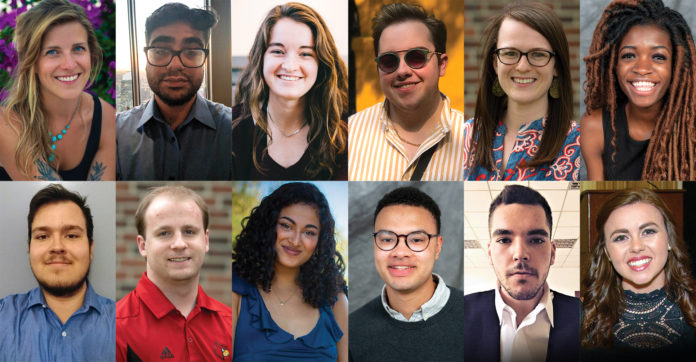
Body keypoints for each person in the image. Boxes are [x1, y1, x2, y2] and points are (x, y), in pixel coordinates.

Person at [348, 3, 466, 181]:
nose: (402, 71)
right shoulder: (350, 134)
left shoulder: (473, 138)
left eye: (416, 57)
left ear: (442, 65)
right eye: (389, 61)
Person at [463, 2, 581, 181]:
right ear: (495, 63)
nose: (523, 67)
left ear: (556, 66)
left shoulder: (580, 144)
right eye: (510, 53)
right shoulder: (464, 136)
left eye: (538, 54)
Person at [463, 185, 581, 362]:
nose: (520, 254)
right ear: (489, 253)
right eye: (504, 240)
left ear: (553, 253)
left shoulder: (587, 318)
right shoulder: (457, 317)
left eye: (536, 240)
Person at [0, 0, 116, 181]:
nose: (69, 65)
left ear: (90, 54)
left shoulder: (107, 118)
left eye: (78, 48)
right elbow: (57, 199)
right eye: (52, 52)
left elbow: (99, 200)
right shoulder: (6, 123)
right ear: (32, 62)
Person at [581, 0, 696, 181]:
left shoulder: (690, 129)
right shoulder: (595, 128)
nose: (642, 68)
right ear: (614, 66)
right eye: (629, 55)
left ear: (676, 66)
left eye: (658, 57)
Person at [116, 3, 233, 180]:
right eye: (161, 51)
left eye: (192, 52)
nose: (175, 65)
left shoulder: (233, 130)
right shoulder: (116, 133)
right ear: (146, 57)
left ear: (205, 59)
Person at [232, 182, 348, 361]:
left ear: (319, 242)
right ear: (268, 226)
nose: (295, 241)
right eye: (286, 226)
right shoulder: (236, 290)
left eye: (309, 232)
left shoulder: (335, 300)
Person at [232, 3, 348, 180]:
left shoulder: (346, 132)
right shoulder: (232, 127)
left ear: (321, 64)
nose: (290, 66)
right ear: (261, 58)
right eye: (278, 51)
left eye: (305, 54)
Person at [116, 186, 232, 361]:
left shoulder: (232, 324)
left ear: (206, 240)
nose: (179, 244)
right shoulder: (114, 327)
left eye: (189, 232)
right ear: (143, 245)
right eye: (164, 233)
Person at [349, 187, 466, 361]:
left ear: (438, 247)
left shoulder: (475, 317)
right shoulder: (352, 330)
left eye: (416, 239)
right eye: (387, 239)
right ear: (374, 244)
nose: (400, 252)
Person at [0, 184, 115, 361]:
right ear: (29, 248)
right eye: (42, 236)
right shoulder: (3, 317)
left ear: (90, 248)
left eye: (71, 235)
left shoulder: (124, 324)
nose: (57, 247)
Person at [581, 188, 696, 360]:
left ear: (669, 240)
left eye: (648, 231)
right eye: (621, 237)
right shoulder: (581, 321)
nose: (636, 246)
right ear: (607, 252)